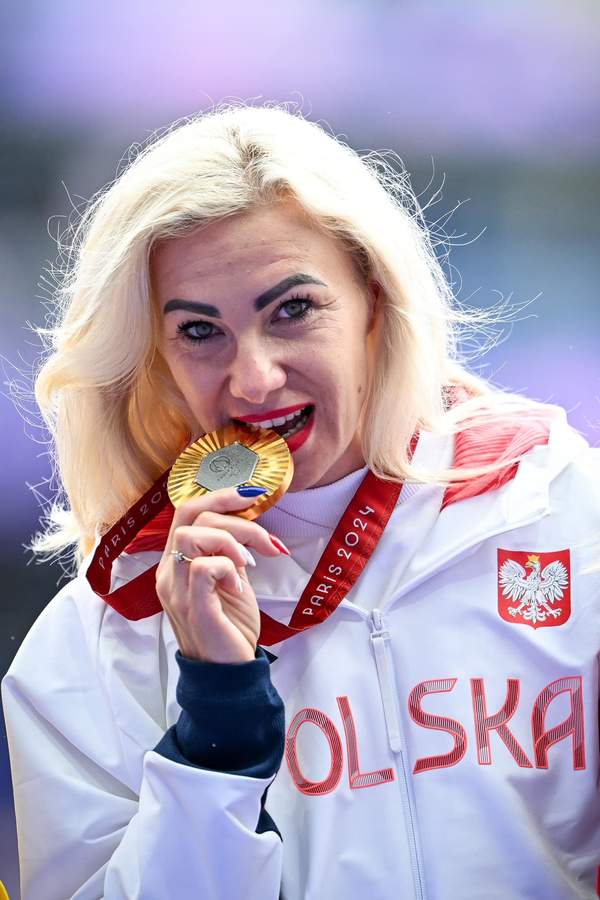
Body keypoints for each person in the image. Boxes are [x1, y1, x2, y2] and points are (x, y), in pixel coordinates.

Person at [2, 103, 599, 900]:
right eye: (199, 331)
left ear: (374, 303)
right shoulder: (102, 636)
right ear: (154, 356)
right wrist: (215, 723)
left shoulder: (563, 512)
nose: (254, 379)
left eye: (293, 310)